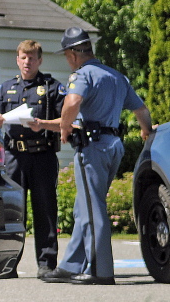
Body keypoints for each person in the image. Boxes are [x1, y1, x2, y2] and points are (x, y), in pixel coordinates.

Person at [39, 27, 153, 285]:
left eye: (67, 55)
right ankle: (71, 265)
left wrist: (66, 127)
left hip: (92, 147)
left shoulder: (82, 75)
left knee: (93, 209)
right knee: (85, 206)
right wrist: (146, 131)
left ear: (72, 54)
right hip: (113, 146)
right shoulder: (117, 76)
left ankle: (100, 270)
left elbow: (72, 101)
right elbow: (141, 110)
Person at [0, 40, 64, 279]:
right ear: (17, 59)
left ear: (40, 60)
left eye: (32, 58)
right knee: (12, 211)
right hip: (14, 156)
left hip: (42, 155)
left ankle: (46, 265)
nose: (27, 62)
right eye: (23, 57)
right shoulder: (6, 87)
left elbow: (66, 121)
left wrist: (42, 124)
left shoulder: (52, 87)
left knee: (45, 210)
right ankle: (7, 264)